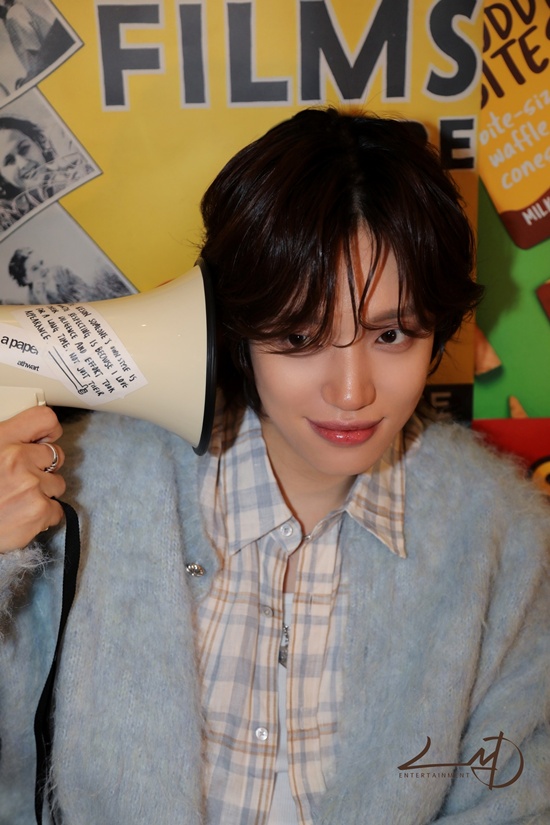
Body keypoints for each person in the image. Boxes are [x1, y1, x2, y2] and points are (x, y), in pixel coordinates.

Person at [0, 108, 548, 824]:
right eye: (299, 336)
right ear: (237, 330)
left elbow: (516, 799)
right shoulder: (81, 489)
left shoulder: (503, 537)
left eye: (391, 334)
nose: (351, 392)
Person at [7, 247, 132, 304]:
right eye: (35, 269)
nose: (43, 269)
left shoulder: (61, 272)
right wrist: (43, 300)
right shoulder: (33, 301)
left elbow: (86, 291)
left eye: (41, 263)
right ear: (26, 278)